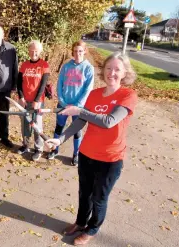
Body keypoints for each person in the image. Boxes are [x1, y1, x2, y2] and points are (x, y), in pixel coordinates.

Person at [45, 51, 137, 246]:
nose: (112, 73)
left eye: (117, 69)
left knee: (99, 198)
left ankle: (92, 228)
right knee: (84, 192)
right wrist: (60, 139)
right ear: (103, 71)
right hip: (87, 154)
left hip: (110, 159)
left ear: (124, 73)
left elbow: (109, 121)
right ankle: (80, 222)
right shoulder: (94, 94)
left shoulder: (128, 95)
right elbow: (80, 121)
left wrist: (80, 110)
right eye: (109, 68)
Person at [47, 40, 94, 166]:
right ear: (72, 52)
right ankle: (54, 149)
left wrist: (76, 105)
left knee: (76, 131)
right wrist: (62, 101)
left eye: (80, 51)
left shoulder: (88, 68)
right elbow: (59, 84)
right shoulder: (66, 66)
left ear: (84, 51)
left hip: (78, 108)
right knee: (59, 128)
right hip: (63, 104)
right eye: (75, 51)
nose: (78, 53)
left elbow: (88, 89)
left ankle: (76, 154)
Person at [17, 40, 50, 161]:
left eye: (36, 51)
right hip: (24, 101)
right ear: (28, 51)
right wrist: (21, 97)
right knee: (25, 124)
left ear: (40, 51)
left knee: (37, 126)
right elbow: (19, 82)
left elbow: (43, 84)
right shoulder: (24, 65)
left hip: (37, 101)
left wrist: (37, 100)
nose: (33, 53)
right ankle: (25, 145)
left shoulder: (44, 65)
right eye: (31, 50)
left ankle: (38, 149)